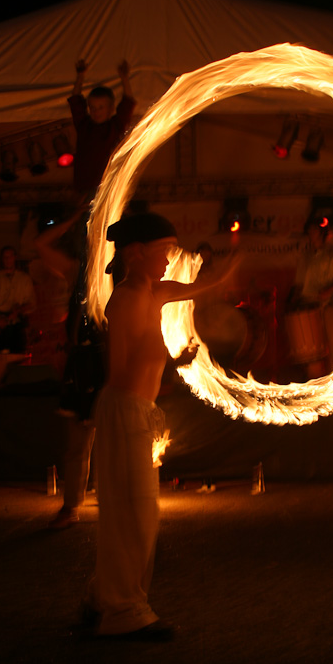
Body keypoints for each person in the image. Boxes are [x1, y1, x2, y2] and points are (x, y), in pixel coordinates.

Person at [85, 212, 239, 640]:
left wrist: (232, 260)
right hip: (124, 410)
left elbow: (202, 285)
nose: (170, 260)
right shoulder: (127, 300)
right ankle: (122, 611)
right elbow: (119, 372)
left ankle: (102, 600)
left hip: (136, 411)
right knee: (134, 516)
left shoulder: (153, 292)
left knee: (136, 514)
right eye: (164, 251)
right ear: (136, 253)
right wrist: (169, 363)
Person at [35, 207, 105, 529]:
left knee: (115, 441)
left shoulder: (124, 276)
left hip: (113, 362)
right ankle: (71, 506)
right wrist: (73, 219)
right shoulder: (77, 270)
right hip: (82, 366)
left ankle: (114, 500)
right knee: (77, 446)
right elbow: (41, 245)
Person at [290, 217, 333, 378]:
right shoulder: (306, 257)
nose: (311, 233)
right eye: (309, 230)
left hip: (327, 304)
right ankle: (317, 384)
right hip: (307, 307)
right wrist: (293, 303)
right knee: (312, 352)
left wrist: (330, 290)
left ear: (321, 232)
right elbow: (299, 284)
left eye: (314, 230)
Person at [68, 59, 136, 203]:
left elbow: (128, 102)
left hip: (108, 188)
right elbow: (75, 101)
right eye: (92, 107)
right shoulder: (84, 125)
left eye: (100, 107)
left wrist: (124, 78)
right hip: (84, 187)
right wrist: (80, 76)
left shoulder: (116, 127)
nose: (96, 112)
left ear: (111, 108)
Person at [0, 246, 36, 353]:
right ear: (1, 259)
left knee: (18, 355)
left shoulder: (24, 278)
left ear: (15, 257)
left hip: (18, 323)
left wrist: (18, 310)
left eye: (10, 257)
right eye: (5, 257)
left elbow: (32, 303)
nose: (7, 260)